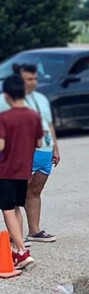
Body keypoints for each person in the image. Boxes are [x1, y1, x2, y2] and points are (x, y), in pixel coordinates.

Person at [0, 64, 60, 243]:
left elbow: (48, 124)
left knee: (35, 191)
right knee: (15, 196)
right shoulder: (6, 100)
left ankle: (34, 231)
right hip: (25, 152)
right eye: (28, 79)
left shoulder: (40, 98)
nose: (33, 83)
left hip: (45, 150)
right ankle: (16, 235)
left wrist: (55, 147)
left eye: (35, 79)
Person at [0, 74, 43, 270]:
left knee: (7, 209)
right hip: (24, 170)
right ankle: (20, 250)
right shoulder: (34, 116)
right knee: (17, 207)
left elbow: (1, 145)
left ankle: (21, 250)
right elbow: (39, 142)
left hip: (6, 170)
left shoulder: (5, 118)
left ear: (7, 95)